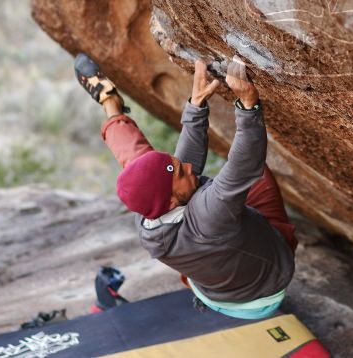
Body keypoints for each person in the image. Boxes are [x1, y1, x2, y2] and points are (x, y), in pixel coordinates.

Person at [74, 53, 297, 319]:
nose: (189, 167)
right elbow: (244, 166)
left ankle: (109, 102)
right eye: (180, 171)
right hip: (264, 289)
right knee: (256, 176)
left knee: (137, 160)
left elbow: (145, 160)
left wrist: (197, 105)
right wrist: (248, 106)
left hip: (211, 289)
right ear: (170, 201)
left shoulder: (149, 211)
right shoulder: (208, 215)